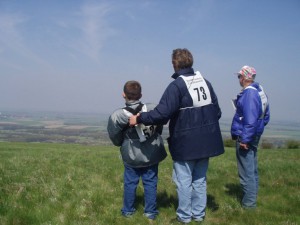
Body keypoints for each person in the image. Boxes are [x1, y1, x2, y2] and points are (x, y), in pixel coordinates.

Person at [129, 48, 224, 223]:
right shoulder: (206, 83)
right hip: (207, 141)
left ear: (174, 64)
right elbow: (216, 112)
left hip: (186, 142)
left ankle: (184, 217)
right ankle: (199, 214)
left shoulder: (177, 85)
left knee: (184, 181)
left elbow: (162, 114)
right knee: (200, 179)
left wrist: (140, 118)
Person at [107, 80, 167, 220]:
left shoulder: (118, 115)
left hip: (130, 154)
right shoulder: (152, 108)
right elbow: (159, 124)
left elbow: (114, 136)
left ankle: (128, 212)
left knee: (130, 182)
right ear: (141, 94)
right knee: (151, 182)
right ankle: (150, 212)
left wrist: (123, 143)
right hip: (152, 153)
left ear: (123, 95)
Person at [231, 65, 270, 209]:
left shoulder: (249, 94)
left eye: (239, 76)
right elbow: (265, 116)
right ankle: (252, 199)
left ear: (244, 77)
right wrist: (258, 130)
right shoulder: (260, 91)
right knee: (252, 169)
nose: (238, 79)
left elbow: (250, 119)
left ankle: (249, 206)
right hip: (255, 134)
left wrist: (245, 139)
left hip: (246, 136)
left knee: (246, 172)